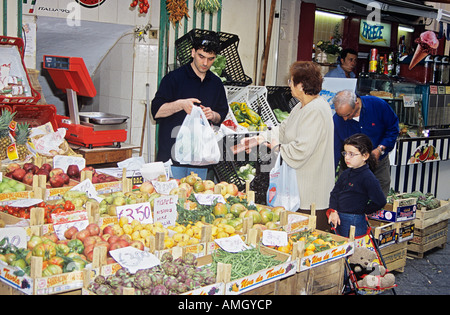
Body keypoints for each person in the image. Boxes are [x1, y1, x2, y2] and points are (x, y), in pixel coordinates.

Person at [243, 61, 335, 231]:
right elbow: (282, 130)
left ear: (300, 85)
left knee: (308, 239)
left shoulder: (316, 110)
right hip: (296, 187)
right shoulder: (301, 106)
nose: (289, 85)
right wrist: (259, 138)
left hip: (310, 192)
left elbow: (301, 150)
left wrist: (275, 146)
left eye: (291, 81)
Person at [151, 32, 229, 180]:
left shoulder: (216, 84)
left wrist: (213, 115)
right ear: (193, 52)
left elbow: (221, 114)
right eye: (201, 56)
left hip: (201, 159)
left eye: (210, 59)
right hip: (172, 158)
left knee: (196, 199)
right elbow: (156, 111)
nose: (205, 63)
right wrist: (180, 104)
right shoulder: (173, 78)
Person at [332, 90, 399, 197]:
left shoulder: (377, 105)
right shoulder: (337, 119)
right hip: (351, 167)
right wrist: (332, 172)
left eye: (347, 114)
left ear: (356, 104)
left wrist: (380, 149)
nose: (344, 119)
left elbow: (393, 129)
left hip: (378, 162)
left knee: (379, 197)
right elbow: (335, 148)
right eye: (341, 115)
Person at [327, 134, 387, 238]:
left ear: (365, 156)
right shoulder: (346, 173)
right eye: (345, 153)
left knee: (354, 251)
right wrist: (333, 210)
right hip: (339, 217)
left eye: (351, 154)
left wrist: (363, 210)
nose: (346, 157)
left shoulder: (368, 177)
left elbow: (380, 201)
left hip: (354, 220)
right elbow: (335, 193)